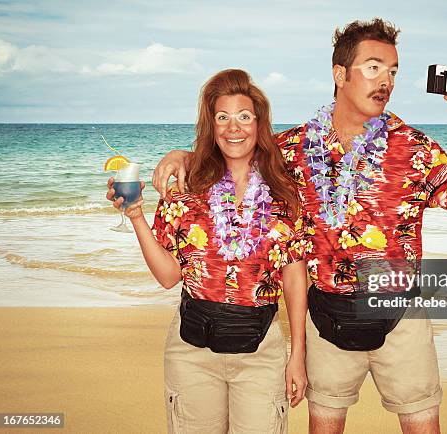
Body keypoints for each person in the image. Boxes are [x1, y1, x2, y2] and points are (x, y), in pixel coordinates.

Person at [151, 18, 447, 434]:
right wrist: (184, 156)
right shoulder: (293, 148)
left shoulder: (413, 148)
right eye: (373, 67)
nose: (385, 81)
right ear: (340, 74)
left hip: (399, 312)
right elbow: (234, 148)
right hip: (325, 314)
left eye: (392, 71)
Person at [107, 69, 308, 433]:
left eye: (244, 117)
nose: (234, 128)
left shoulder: (285, 193)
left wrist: (299, 355)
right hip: (192, 353)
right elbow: (168, 276)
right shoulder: (185, 189)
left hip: (262, 351)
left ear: (259, 124)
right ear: (211, 126)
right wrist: (135, 215)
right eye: (223, 117)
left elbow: (294, 276)